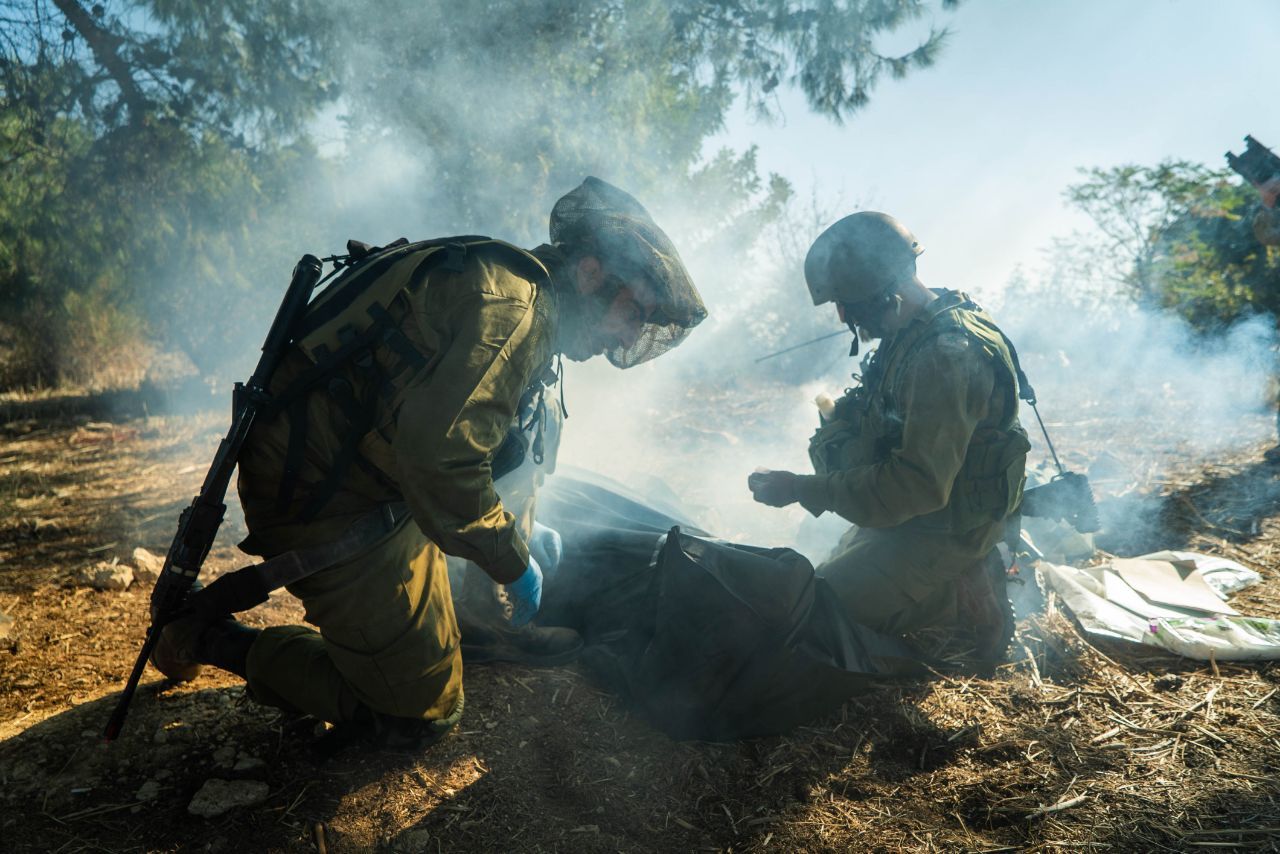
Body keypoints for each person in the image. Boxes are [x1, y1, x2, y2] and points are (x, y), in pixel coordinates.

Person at [150, 177, 706, 745]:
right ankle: (207, 636)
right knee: (416, 716)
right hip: (328, 499)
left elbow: (477, 440)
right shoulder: (515, 310)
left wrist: (515, 531)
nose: (631, 334)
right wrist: (511, 557)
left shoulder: (518, 288)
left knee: (535, 427)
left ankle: (479, 617)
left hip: (370, 469)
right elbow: (441, 463)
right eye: (634, 311)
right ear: (591, 274)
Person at [749, 212, 1029, 661]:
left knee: (819, 614)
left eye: (847, 303)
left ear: (886, 295)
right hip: (912, 516)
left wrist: (800, 488)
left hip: (948, 526)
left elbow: (917, 485)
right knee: (809, 581)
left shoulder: (945, 355)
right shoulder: (914, 327)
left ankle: (965, 592)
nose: (842, 315)